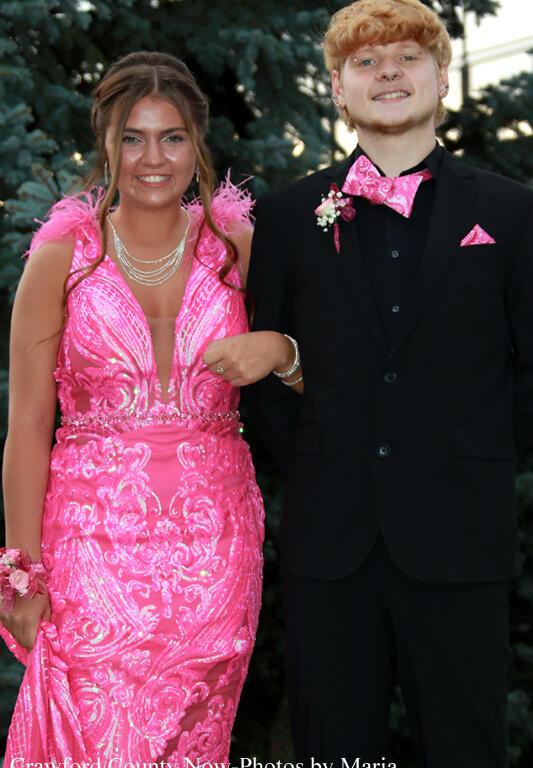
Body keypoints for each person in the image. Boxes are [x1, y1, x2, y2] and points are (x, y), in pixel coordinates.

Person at [241, 0, 533, 765]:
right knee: (334, 750)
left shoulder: (512, 212)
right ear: (338, 88)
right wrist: (318, 456)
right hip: (330, 542)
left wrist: (477, 452)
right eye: (365, 61)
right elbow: (264, 369)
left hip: (461, 536)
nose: (388, 72)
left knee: (466, 749)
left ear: (441, 79)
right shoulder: (285, 216)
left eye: (407, 56)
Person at [0, 51, 267, 765]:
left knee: (192, 747)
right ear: (106, 144)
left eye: (172, 137)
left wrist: (281, 350)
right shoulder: (62, 256)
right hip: (88, 557)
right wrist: (21, 573)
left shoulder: (239, 250)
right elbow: (27, 426)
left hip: (216, 554)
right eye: (133, 138)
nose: (153, 158)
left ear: (197, 142)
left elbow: (320, 375)